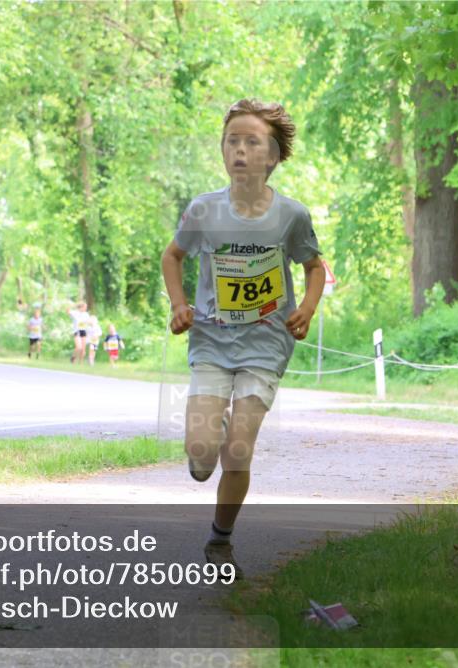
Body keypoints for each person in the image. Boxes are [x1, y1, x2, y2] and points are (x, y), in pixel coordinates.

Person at [160, 99, 324, 578]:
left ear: (272, 156)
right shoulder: (203, 210)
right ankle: (209, 435)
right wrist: (178, 305)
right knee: (200, 457)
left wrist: (307, 309)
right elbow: (173, 257)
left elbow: (314, 267)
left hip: (266, 342)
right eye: (233, 140)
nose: (241, 150)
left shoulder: (291, 216)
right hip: (212, 339)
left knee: (238, 448)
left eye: (252, 142)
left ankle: (219, 539)